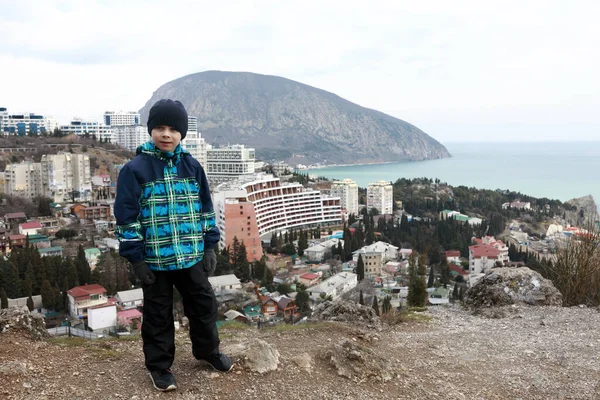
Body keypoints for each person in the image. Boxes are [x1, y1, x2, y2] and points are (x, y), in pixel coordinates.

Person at [115, 99, 232, 392]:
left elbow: (206, 209)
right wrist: (136, 259)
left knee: (204, 305)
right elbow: (126, 218)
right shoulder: (135, 170)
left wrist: (209, 247)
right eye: (160, 128)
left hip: (191, 255)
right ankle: (160, 367)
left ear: (182, 134)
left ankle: (208, 352)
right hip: (155, 260)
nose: (166, 134)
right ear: (150, 130)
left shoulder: (192, 167)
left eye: (173, 129)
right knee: (157, 315)